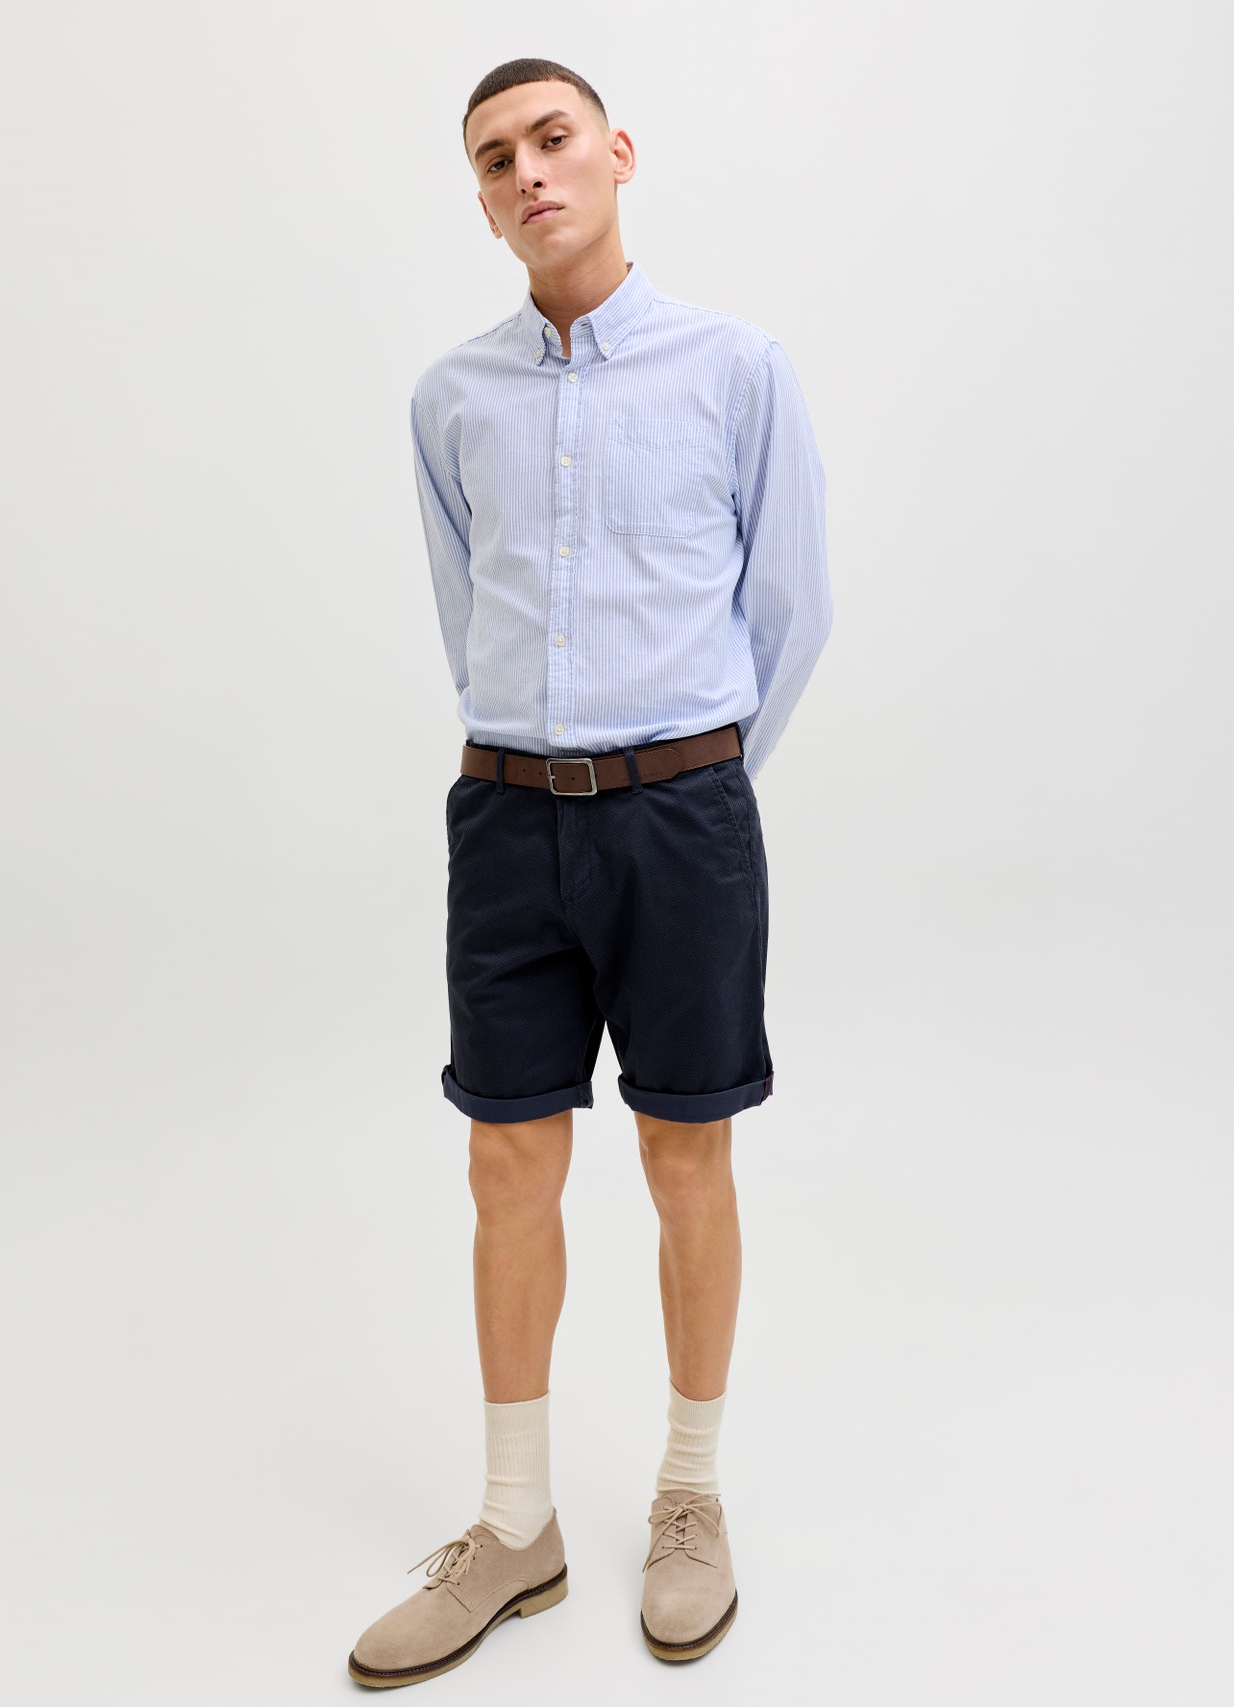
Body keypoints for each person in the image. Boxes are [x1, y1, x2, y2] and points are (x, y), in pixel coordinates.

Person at [348, 56, 832, 1688]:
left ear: (618, 152)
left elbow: (792, 610)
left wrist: (693, 783)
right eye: (495, 160)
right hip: (504, 821)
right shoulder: (451, 399)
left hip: (683, 820)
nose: (528, 174)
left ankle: (689, 1496)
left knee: (687, 1156)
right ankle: (515, 1527)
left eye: (551, 139)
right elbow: (463, 609)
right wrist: (543, 766)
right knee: (506, 1164)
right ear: (483, 200)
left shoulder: (734, 367)